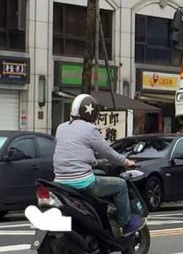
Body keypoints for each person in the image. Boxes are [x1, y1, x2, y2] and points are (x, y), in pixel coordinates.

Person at [53, 93, 146, 236]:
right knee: (121, 185)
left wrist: (95, 162)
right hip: (82, 182)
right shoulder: (90, 130)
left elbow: (71, 151)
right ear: (93, 113)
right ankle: (126, 224)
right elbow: (108, 152)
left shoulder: (61, 128)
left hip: (59, 182)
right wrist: (126, 162)